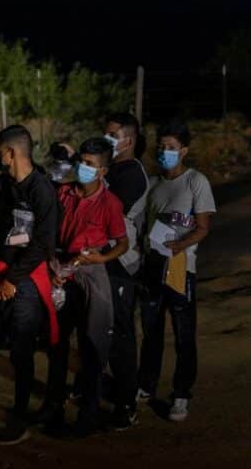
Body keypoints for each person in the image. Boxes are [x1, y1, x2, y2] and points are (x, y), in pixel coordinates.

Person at [0, 125, 58, 446]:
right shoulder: (4, 186)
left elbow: (43, 242)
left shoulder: (41, 189)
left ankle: (19, 418)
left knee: (22, 351)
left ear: (10, 152)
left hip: (24, 282)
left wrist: (12, 279)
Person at [42, 138, 129, 437]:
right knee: (57, 343)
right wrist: (52, 267)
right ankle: (53, 406)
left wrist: (102, 257)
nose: (83, 168)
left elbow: (122, 243)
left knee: (92, 347)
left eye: (91, 165)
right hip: (62, 270)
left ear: (103, 171)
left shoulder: (111, 204)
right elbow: (48, 231)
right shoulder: (63, 192)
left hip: (92, 273)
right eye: (82, 162)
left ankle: (88, 414)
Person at [137, 118, 216, 423]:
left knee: (184, 335)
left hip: (181, 267)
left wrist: (178, 246)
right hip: (152, 266)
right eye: (161, 148)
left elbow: (203, 227)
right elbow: (143, 225)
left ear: (184, 150)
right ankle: (146, 385)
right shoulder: (153, 185)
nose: (164, 152)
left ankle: (181, 394)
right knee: (151, 331)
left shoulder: (197, 182)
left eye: (170, 148)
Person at [102, 112, 149, 430]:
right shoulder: (114, 170)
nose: (106, 139)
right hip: (104, 261)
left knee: (120, 333)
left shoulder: (131, 174)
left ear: (127, 140)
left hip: (121, 264)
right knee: (103, 329)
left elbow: (106, 212)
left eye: (111, 135)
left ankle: (126, 401)